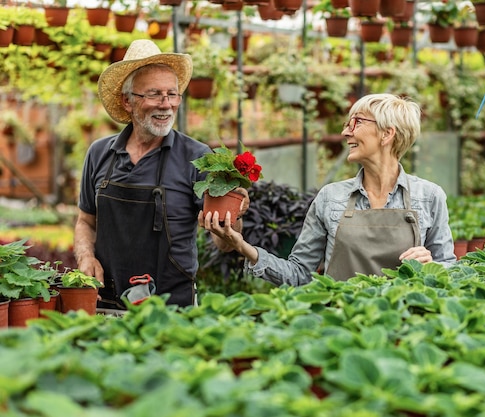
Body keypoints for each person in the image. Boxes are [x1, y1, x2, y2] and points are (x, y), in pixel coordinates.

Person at [201, 93, 456, 286]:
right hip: (341, 326)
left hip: (407, 325)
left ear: (387, 134)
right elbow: (300, 274)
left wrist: (432, 266)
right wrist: (241, 245)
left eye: (356, 122)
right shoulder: (331, 197)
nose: (346, 131)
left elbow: (451, 272)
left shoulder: (430, 196)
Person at [73, 39, 247, 309]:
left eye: (173, 94)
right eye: (154, 94)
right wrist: (85, 257)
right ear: (127, 101)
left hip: (173, 310)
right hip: (105, 303)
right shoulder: (99, 153)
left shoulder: (199, 157)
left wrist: (231, 222)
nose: (166, 105)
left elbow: (224, 244)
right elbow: (85, 221)